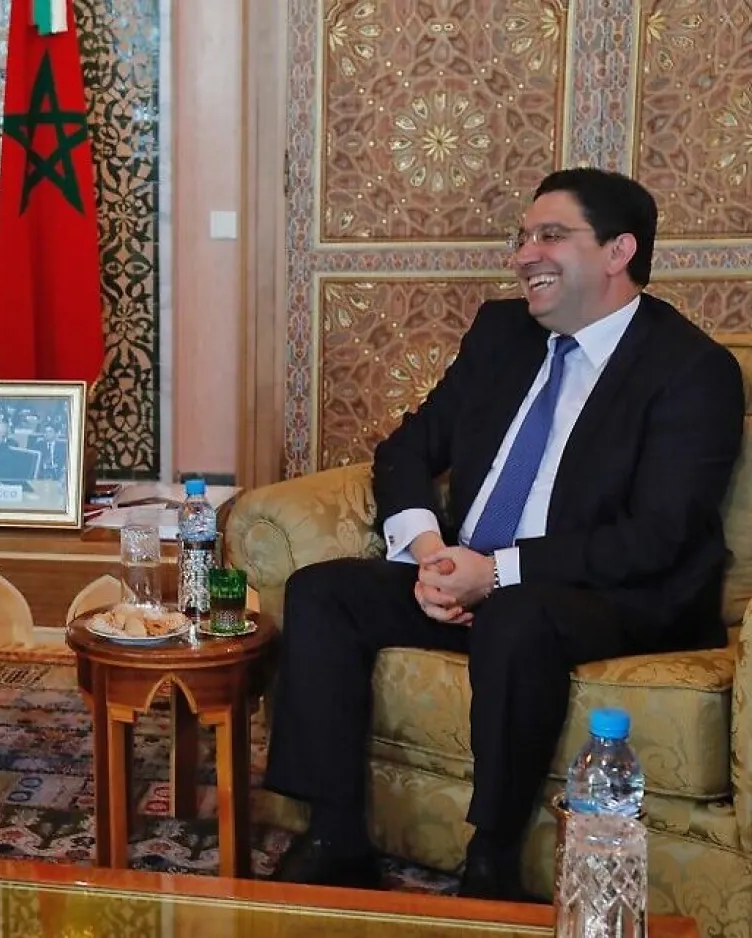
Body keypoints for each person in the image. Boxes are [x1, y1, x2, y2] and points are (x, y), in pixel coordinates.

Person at [262, 167, 744, 900]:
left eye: (551, 236)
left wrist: (499, 573)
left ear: (619, 251)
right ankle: (333, 834)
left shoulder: (692, 368)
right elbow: (408, 449)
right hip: (478, 574)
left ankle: (490, 860)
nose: (524, 255)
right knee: (323, 591)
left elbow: (658, 535)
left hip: (615, 596)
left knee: (520, 616)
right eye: (522, 238)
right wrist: (431, 556)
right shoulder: (502, 333)